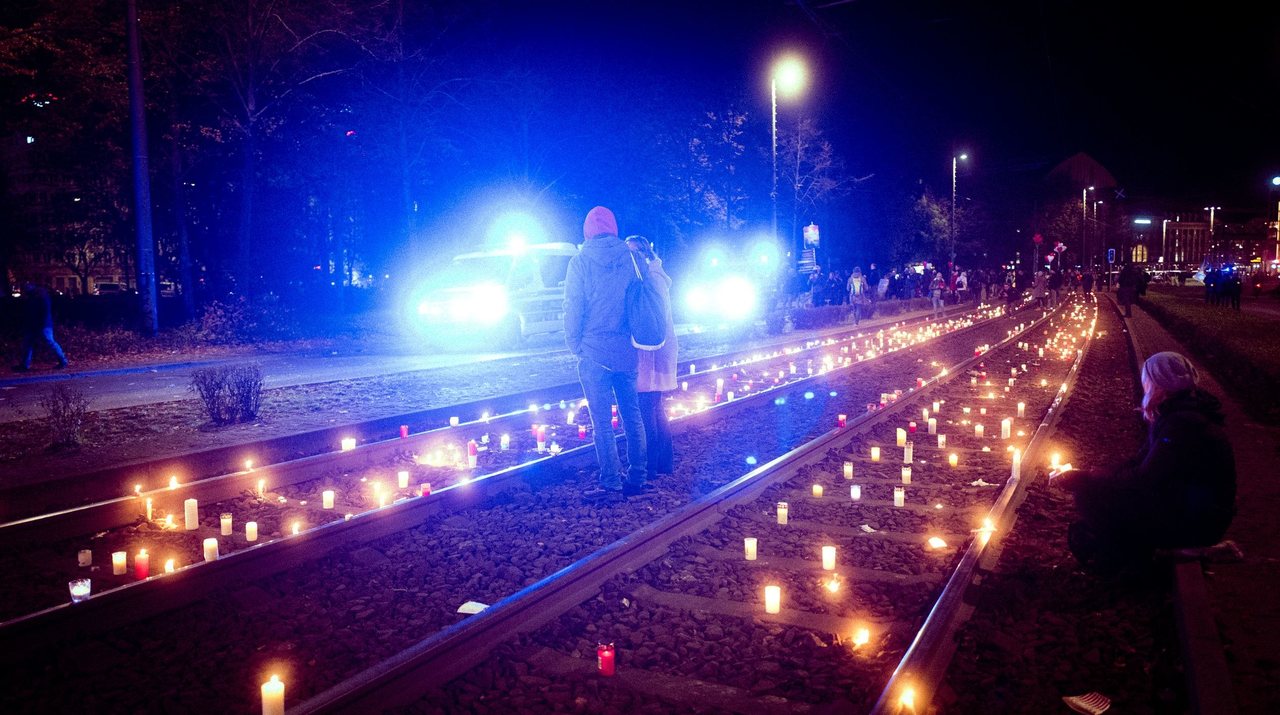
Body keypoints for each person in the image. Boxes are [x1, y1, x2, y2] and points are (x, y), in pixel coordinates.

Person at [1052, 352, 1236, 574]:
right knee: (1094, 489)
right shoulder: (1180, 413)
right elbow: (1140, 462)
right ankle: (1124, 554)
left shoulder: (1182, 423)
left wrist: (1088, 481)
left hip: (1198, 520)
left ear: (1157, 383)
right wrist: (1089, 474)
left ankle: (1126, 562)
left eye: (1146, 379)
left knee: (1089, 495)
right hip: (1194, 508)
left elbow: (1146, 478)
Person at [564, 206, 648, 501]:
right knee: (632, 416)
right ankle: (638, 476)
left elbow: (573, 307)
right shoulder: (634, 258)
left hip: (594, 353)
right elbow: (642, 299)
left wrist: (574, 344)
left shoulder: (580, 262)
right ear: (613, 228)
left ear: (587, 230)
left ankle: (611, 482)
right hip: (626, 350)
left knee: (602, 423)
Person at [627, 236, 676, 485]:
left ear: (641, 254)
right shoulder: (657, 276)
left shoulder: (648, 280)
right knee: (656, 407)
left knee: (646, 407)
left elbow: (645, 321)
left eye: (632, 253)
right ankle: (665, 462)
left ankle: (652, 465)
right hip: (659, 350)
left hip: (649, 352)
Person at [13, 281, 68, 372]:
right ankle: (24, 365)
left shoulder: (38, 296)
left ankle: (63, 361)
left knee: (44, 342)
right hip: (38, 324)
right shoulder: (36, 295)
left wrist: (41, 323)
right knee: (33, 343)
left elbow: (44, 311)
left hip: (41, 324)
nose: (24, 289)